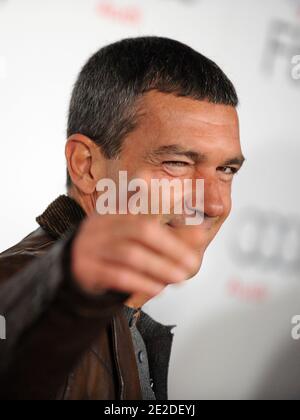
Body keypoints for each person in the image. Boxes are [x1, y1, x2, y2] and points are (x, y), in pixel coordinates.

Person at [0, 36, 245, 400]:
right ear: (86, 166)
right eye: (176, 163)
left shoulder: (127, 320)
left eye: (225, 169)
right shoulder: (22, 286)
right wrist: (72, 284)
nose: (213, 203)